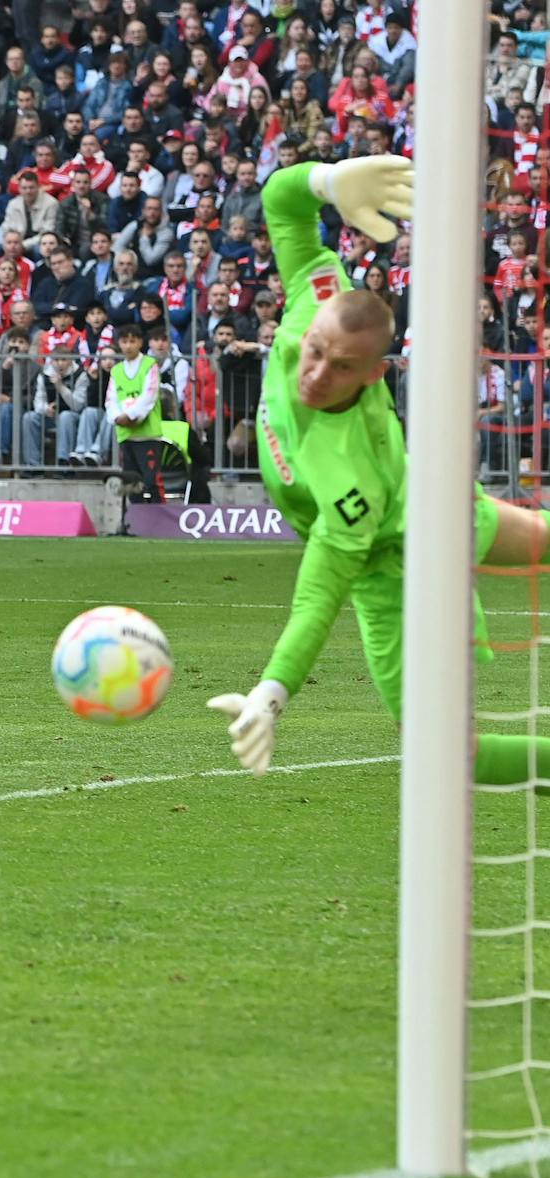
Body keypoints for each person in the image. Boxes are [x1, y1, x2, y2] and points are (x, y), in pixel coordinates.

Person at [208, 154, 550, 792]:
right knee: (450, 756)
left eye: (339, 367)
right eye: (314, 353)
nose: (315, 373)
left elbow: (317, 597)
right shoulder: (318, 296)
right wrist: (327, 182)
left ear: (373, 375)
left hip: (404, 547)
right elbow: (281, 206)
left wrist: (272, 692)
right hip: (401, 520)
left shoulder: (351, 481)